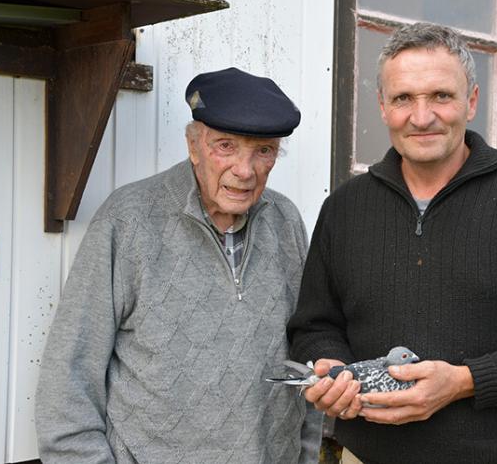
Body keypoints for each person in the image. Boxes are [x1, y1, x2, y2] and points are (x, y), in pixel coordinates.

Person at [287, 23, 497, 464]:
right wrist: (331, 369)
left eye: (441, 96)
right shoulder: (345, 207)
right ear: (382, 107)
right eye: (403, 98)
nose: (422, 116)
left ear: (471, 102)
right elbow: (315, 326)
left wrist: (468, 380)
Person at [36, 67, 322, 463]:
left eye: (263, 151)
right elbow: (67, 381)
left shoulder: (286, 221)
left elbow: (302, 365)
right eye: (225, 146)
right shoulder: (128, 220)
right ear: (193, 145)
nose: (245, 170)